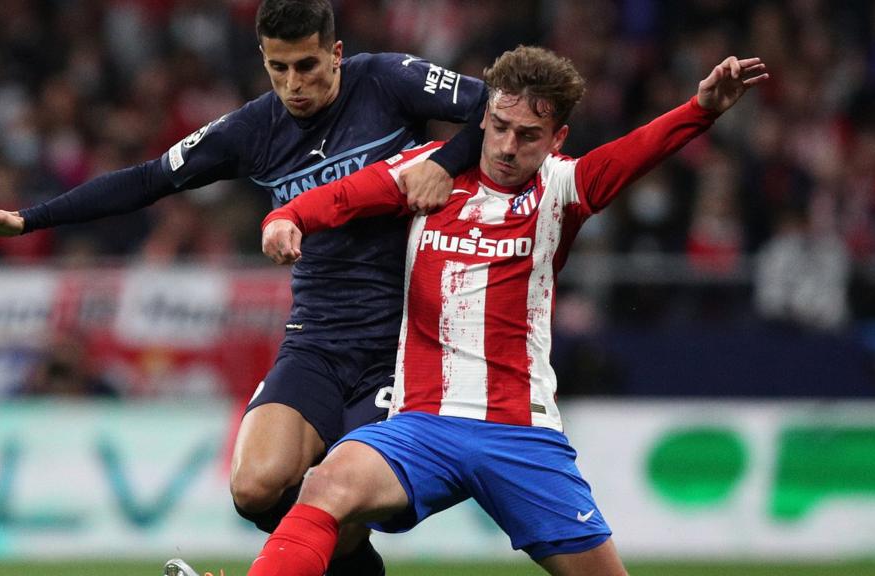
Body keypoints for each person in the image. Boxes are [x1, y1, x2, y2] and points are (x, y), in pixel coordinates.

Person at [0, 1, 488, 574]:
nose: (293, 84)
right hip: (317, 341)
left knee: (335, 489)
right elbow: (149, 179)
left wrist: (446, 162)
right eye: (278, 68)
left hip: (402, 341)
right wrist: (30, 218)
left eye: (307, 66)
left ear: (336, 53)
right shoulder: (255, 129)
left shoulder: (388, 80)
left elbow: (497, 107)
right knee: (255, 487)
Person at [250, 46, 768, 575]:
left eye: (528, 135)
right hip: (423, 425)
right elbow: (340, 197)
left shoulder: (564, 187)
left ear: (557, 139)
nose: (506, 146)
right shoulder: (427, 174)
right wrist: (287, 218)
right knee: (326, 482)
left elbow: (636, 151)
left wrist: (700, 109)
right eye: (498, 126)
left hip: (520, 435)